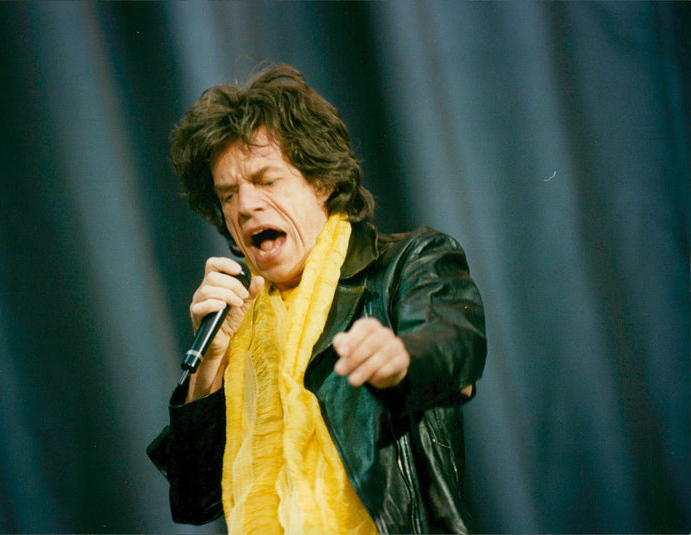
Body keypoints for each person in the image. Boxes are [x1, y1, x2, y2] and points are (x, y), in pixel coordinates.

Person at [147, 64, 486, 534]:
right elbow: (194, 500)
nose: (246, 207)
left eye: (266, 181)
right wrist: (212, 365)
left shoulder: (406, 265)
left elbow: (457, 349)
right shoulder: (241, 318)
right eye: (228, 195)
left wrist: (403, 358)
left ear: (321, 181)